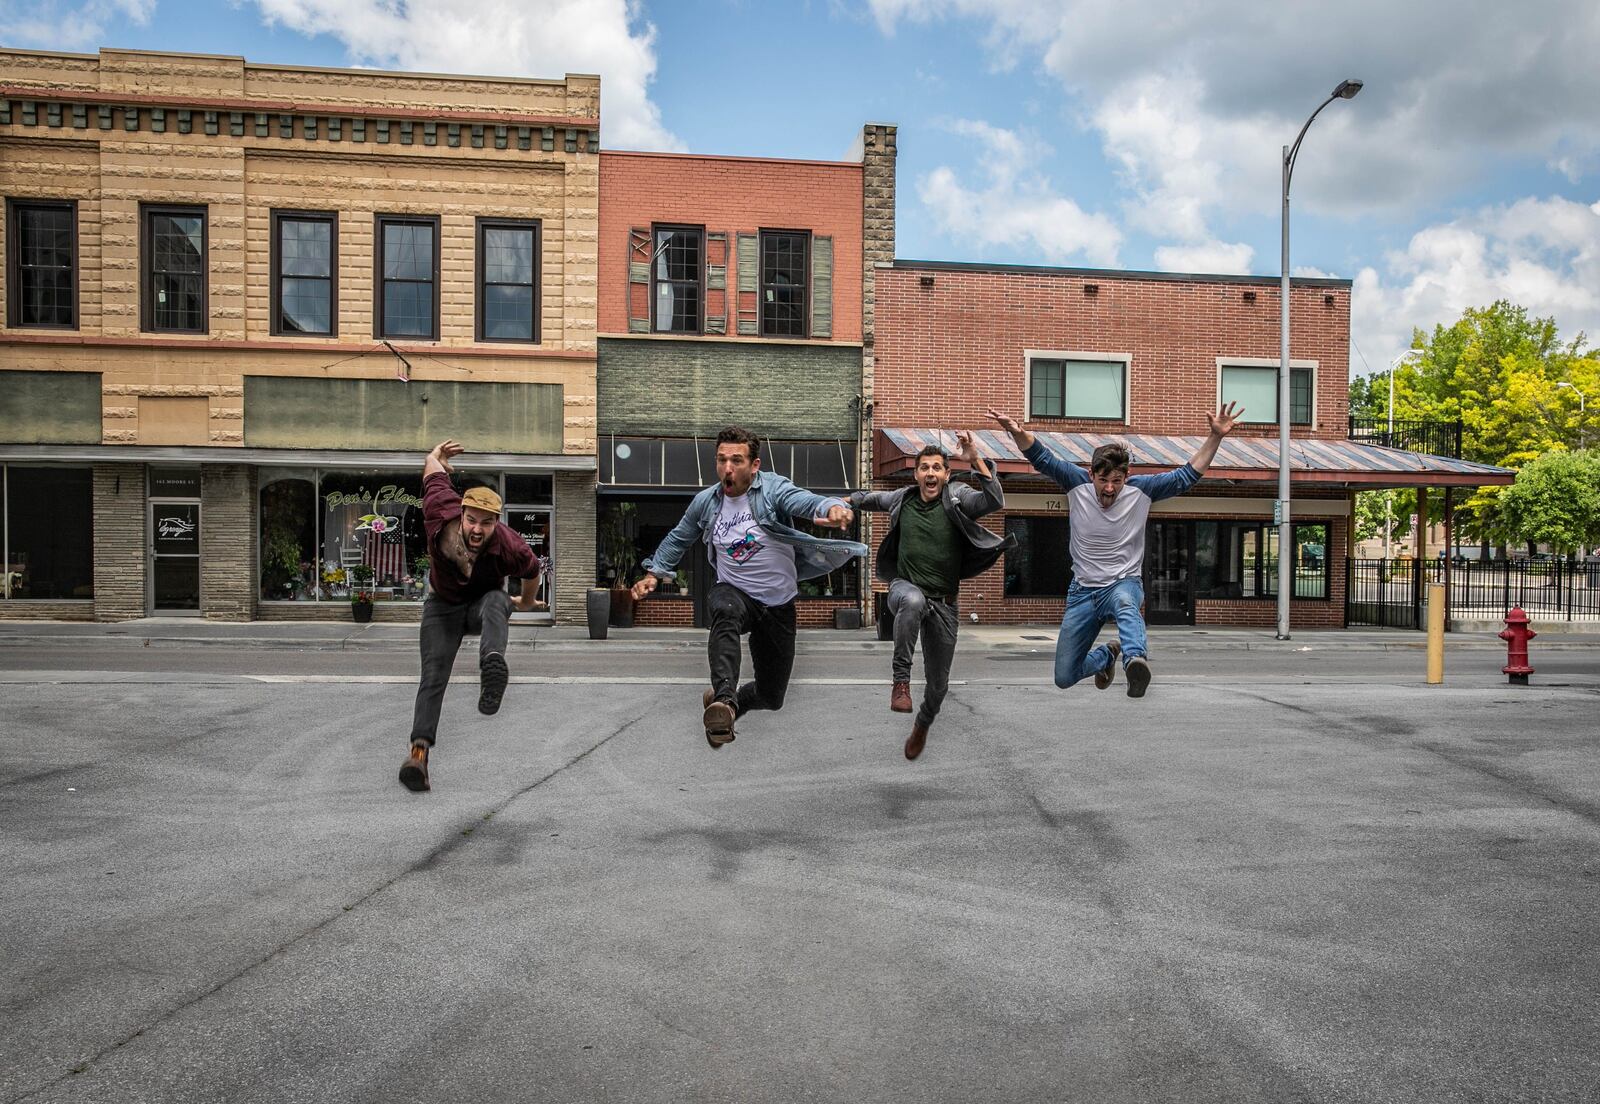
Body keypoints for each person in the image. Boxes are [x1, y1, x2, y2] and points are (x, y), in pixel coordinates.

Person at [631, 426, 867, 748]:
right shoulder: (706, 502)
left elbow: (802, 500)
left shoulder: (772, 490)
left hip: (777, 604)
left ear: (754, 465)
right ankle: (725, 700)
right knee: (724, 610)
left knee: (772, 696)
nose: (728, 469)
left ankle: (727, 706)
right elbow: (679, 536)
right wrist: (654, 574)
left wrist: (829, 509)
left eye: (737, 461)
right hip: (734, 591)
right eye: (721, 460)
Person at [987, 403, 1242, 698]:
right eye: (1103, 480)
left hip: (1123, 582)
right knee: (1064, 675)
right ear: (1091, 474)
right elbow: (1042, 457)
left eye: (1117, 481)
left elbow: (1186, 476)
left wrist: (1216, 437)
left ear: (1127, 476)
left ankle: (1135, 661)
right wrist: (1016, 432)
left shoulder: (1143, 490)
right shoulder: (1075, 482)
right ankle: (1108, 656)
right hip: (1082, 590)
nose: (1109, 489)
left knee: (1124, 602)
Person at [849, 430, 1013, 760]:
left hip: (945, 603)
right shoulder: (902, 499)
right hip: (905, 589)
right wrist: (842, 501)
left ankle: (922, 724)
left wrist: (975, 459)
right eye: (924, 468)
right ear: (916, 473)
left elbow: (993, 501)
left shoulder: (957, 496)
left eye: (937, 468)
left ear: (946, 474)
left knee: (939, 687)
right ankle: (901, 684)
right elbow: (869, 498)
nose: (930, 474)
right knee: (913, 601)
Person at [400, 440, 546, 792]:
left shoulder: (511, 544)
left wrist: (525, 604)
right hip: (442, 607)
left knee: (498, 601)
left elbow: (532, 573)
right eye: (471, 521)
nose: (477, 530)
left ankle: (492, 664)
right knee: (433, 676)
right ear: (460, 514)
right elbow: (431, 467)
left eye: (486, 523)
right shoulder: (439, 507)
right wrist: (438, 456)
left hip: (482, 603)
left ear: (497, 522)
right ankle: (418, 756)